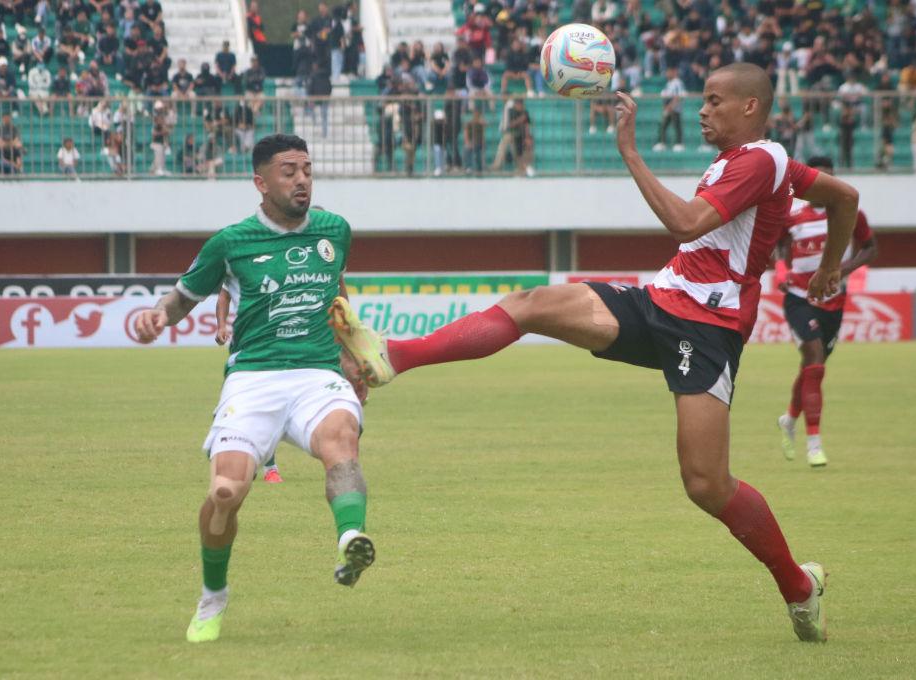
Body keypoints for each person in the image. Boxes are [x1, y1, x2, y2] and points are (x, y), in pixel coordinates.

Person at [329, 63, 861, 643]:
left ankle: (799, 588)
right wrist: (831, 265)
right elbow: (844, 196)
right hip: (662, 299)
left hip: (707, 328)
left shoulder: (761, 159)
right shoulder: (760, 163)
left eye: (713, 101)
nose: (702, 110)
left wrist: (629, 151)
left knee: (706, 484)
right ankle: (392, 357)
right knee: (531, 302)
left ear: (751, 107)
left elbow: (687, 224)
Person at [132, 134, 373, 643]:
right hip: (254, 378)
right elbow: (181, 298)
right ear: (261, 182)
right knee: (226, 491)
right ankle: (213, 596)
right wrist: (155, 316)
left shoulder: (335, 230)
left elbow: (338, 293)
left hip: (316, 373)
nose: (302, 179)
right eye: (289, 171)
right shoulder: (231, 242)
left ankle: (351, 537)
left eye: (307, 169)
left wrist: (353, 352)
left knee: (341, 440)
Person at [775, 156, 878, 468]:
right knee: (814, 356)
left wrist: (839, 268)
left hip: (833, 301)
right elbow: (778, 246)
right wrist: (781, 270)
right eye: (820, 179)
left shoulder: (849, 213)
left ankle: (789, 419)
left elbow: (871, 248)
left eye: (831, 178)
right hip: (799, 298)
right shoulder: (792, 216)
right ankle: (814, 445)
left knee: (812, 368)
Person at [213, 284, 283, 484]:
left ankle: (269, 467)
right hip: (245, 348)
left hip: (276, 347)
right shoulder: (243, 261)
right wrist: (221, 326)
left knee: (269, 405)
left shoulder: (284, 266)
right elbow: (224, 296)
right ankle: (245, 457)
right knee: (239, 405)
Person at [655, 67, 686, 152]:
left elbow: (678, 96)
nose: (667, 74)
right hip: (668, 108)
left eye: (668, 72)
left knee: (677, 125)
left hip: (675, 108)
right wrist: (666, 107)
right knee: (663, 125)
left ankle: (679, 144)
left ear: (673, 72)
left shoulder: (677, 82)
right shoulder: (669, 83)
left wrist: (671, 107)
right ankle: (661, 142)